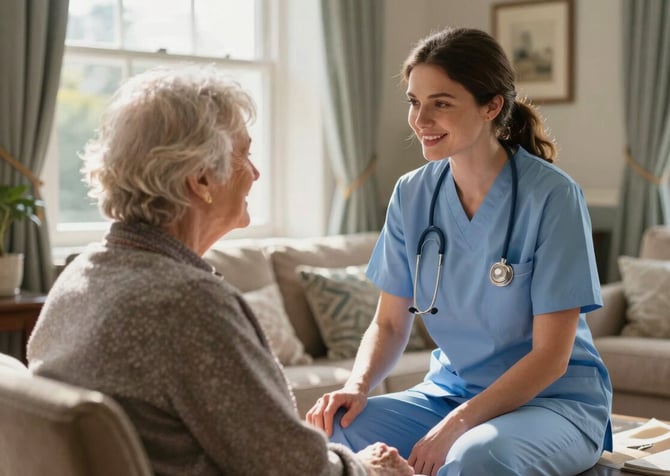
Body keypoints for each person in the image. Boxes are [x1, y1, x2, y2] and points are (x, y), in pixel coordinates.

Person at [27, 66, 414, 476]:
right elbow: (292, 469)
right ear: (201, 179)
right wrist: (371, 470)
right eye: (245, 154)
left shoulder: (80, 275)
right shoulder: (187, 303)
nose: (255, 172)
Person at [305, 27, 613, 476]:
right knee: (335, 433)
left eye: (441, 103)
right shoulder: (411, 195)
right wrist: (356, 385)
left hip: (554, 402)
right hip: (453, 392)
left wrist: (457, 425)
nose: (420, 119)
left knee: (475, 456)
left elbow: (551, 358)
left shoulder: (553, 197)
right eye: (414, 101)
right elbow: (390, 323)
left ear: (492, 107)